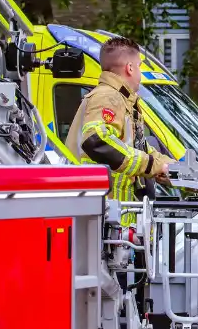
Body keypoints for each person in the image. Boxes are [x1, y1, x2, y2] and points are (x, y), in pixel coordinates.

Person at [67, 37, 174, 222]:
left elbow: (138, 148)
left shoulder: (122, 100)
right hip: (100, 215)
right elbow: (97, 140)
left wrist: (172, 168)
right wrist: (152, 165)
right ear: (130, 68)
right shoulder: (108, 97)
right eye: (139, 66)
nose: (140, 73)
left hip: (111, 214)